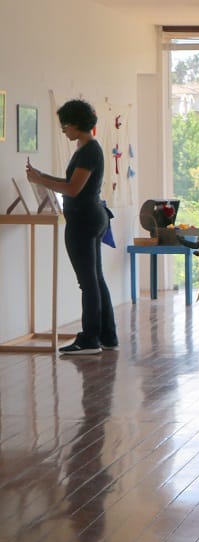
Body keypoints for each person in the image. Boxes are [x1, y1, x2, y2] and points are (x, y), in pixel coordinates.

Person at [26, 99, 118, 355]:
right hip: (90, 217)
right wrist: (41, 177)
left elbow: (73, 189)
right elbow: (71, 182)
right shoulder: (87, 149)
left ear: (76, 123)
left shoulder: (89, 151)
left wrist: (40, 180)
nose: (63, 130)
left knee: (88, 282)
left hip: (84, 220)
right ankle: (107, 336)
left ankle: (90, 339)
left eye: (65, 125)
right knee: (95, 279)